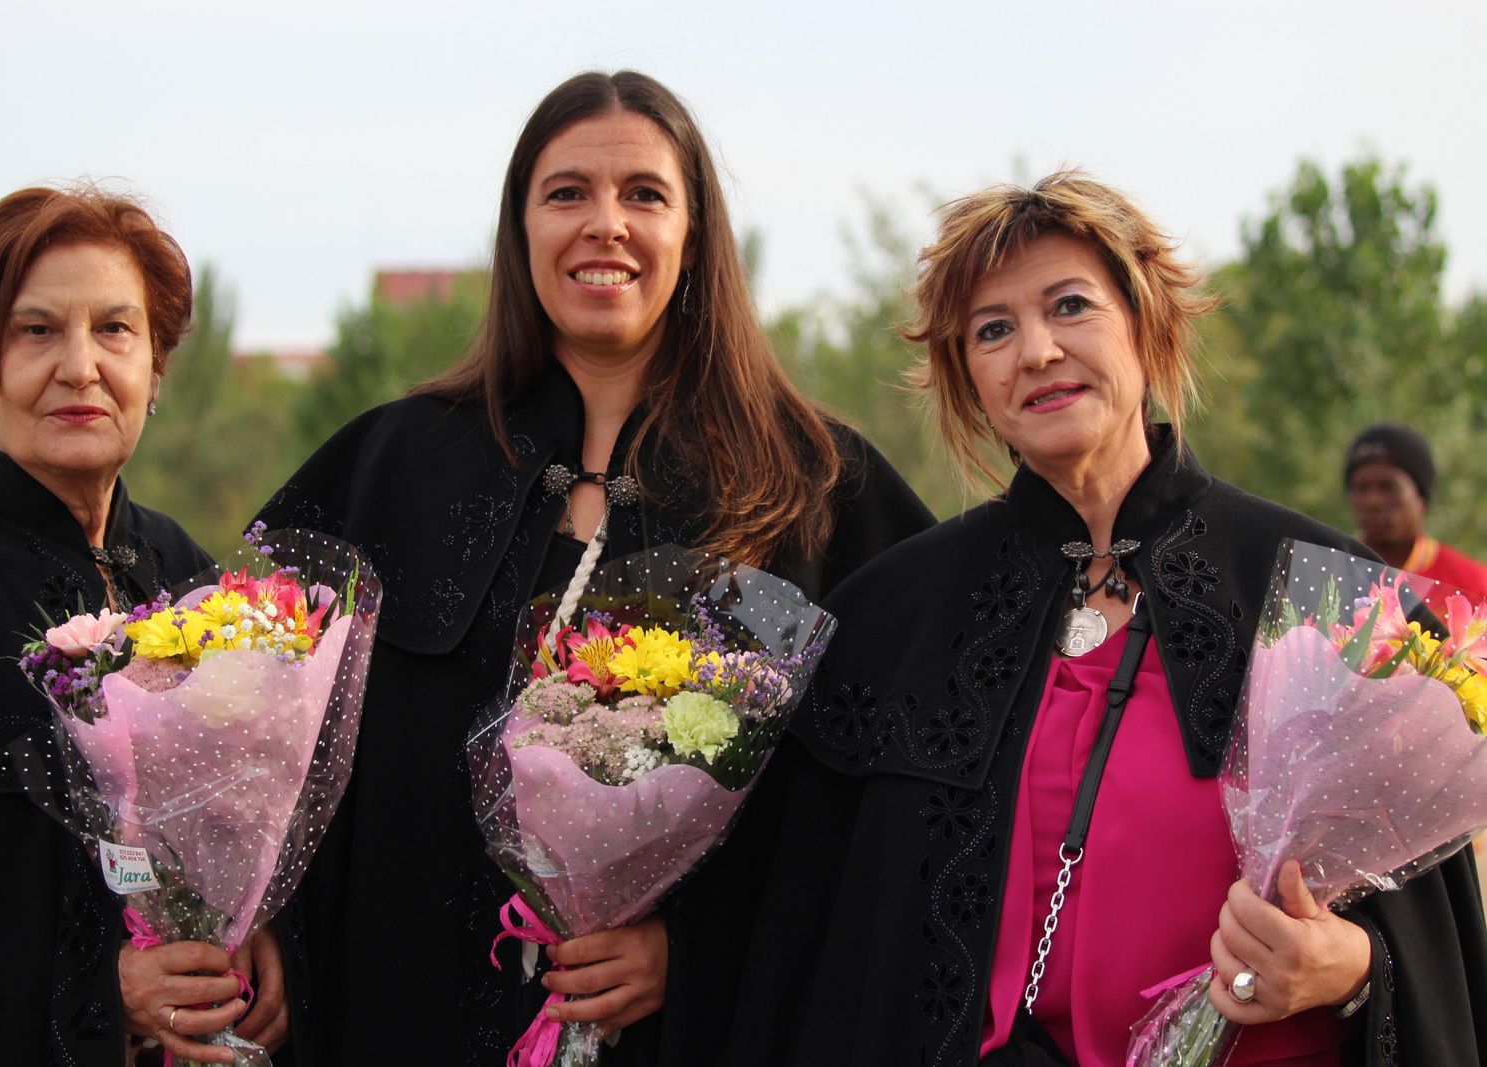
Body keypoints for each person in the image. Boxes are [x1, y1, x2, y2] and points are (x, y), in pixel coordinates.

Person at [725, 173, 1487, 1066]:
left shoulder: (1331, 598)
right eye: (994, 330)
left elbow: (1434, 948)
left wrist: (1351, 968)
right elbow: (792, 921)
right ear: (968, 376)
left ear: (1147, 324)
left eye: (1071, 305)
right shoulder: (889, 618)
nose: (1037, 351)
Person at [252, 70, 934, 1065]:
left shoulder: (816, 486)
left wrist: (699, 945)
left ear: (694, 235)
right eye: (566, 192)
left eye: (645, 195)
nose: (604, 224)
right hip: (400, 1018)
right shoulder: (388, 465)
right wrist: (247, 920)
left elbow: (885, 816)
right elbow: (245, 751)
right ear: (519, 228)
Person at [0, 186, 297, 1066]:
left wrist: (254, 926)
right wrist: (91, 992)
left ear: (155, 374)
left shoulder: (182, 572)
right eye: (37, 331)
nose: (81, 366)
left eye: (115, 329)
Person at [1345, 423, 1487, 602]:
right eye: (1361, 488)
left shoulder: (1472, 585)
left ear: (1421, 498)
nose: (1373, 501)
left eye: (1388, 487)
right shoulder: (1330, 576)